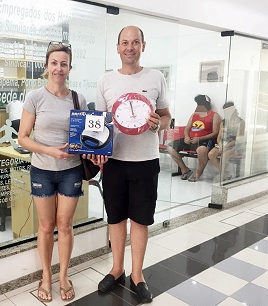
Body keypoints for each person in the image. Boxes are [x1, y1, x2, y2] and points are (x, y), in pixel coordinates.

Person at [94, 26, 171, 304]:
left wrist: (159, 124)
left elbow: (166, 116)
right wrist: (96, 152)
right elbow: (99, 124)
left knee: (140, 219)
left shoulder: (156, 78)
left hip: (145, 161)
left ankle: (138, 275)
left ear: (143, 46)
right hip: (114, 162)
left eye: (135, 42)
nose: (129, 47)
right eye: (124, 42)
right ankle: (117, 269)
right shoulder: (105, 81)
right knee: (115, 218)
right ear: (117, 48)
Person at [17, 41, 89, 302]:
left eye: (64, 64)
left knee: (65, 225)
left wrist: (89, 149)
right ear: (47, 66)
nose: (59, 68)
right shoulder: (35, 97)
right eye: (54, 63)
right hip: (43, 171)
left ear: (70, 68)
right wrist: (50, 151)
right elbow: (22, 137)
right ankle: (46, 276)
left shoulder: (78, 98)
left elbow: (87, 137)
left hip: (70, 171)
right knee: (47, 227)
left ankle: (63, 276)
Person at [168, 94, 221, 182]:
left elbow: (215, 133)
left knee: (202, 150)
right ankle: (185, 170)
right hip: (191, 139)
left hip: (205, 140)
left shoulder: (214, 115)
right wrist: (187, 137)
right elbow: (187, 128)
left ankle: (198, 173)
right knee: (170, 147)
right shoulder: (194, 115)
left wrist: (199, 139)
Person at [208, 102, 245, 181]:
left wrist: (226, 146)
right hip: (223, 144)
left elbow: (238, 139)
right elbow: (219, 137)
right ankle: (224, 173)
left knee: (224, 155)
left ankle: (222, 175)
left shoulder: (240, 122)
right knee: (211, 154)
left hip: (234, 145)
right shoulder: (223, 122)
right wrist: (221, 145)